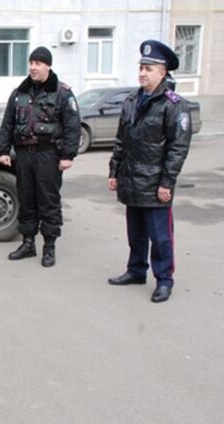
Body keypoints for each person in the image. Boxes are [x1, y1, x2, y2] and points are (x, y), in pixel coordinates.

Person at [107, 40, 192, 303]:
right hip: (132, 180)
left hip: (156, 185)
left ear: (163, 72)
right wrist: (114, 171)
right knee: (136, 234)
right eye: (141, 67)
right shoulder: (132, 100)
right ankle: (135, 271)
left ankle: (164, 279)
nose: (143, 73)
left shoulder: (173, 104)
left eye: (149, 68)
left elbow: (178, 148)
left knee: (161, 237)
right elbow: (121, 139)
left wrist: (167, 182)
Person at [0, 46, 81, 267]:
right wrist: (3, 150)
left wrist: (67, 155)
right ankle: (28, 243)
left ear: (48, 66)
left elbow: (73, 126)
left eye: (38, 63)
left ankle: (49, 247)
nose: (33, 67)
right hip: (24, 154)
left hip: (48, 155)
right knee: (26, 199)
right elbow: (8, 123)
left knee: (48, 202)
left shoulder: (62, 93)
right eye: (31, 63)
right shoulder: (19, 93)